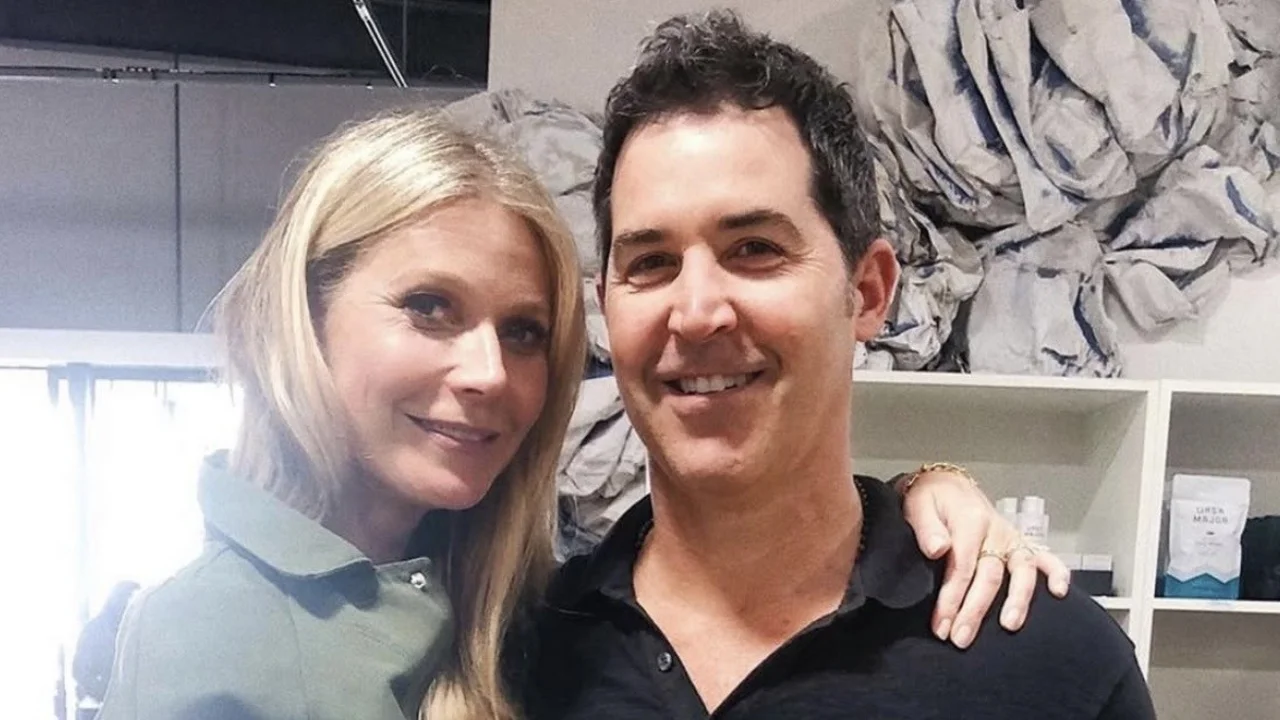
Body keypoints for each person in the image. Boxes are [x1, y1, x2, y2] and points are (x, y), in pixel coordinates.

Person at [99, 108, 1062, 719]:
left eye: (524, 332)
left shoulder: (508, 608)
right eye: (429, 308)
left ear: (868, 292)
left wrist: (925, 493)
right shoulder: (213, 637)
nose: (488, 373)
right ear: (306, 315)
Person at [524, 10, 1156, 719]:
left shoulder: (1053, 666)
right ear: (607, 306)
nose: (696, 313)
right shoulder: (520, 658)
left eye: (754, 249)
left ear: (869, 292)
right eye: (650, 262)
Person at [71, 581, 139, 718]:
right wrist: (106, 693)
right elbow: (79, 671)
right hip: (95, 709)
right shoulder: (94, 629)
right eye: (131, 601)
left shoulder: (134, 631)